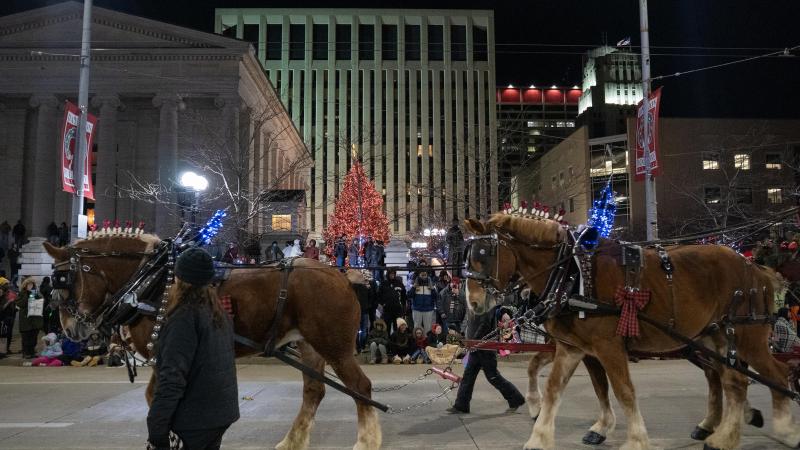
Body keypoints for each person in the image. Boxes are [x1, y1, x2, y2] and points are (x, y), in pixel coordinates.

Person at [147, 247, 239, 450]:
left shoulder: (184, 318)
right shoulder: (217, 312)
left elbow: (173, 377)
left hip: (194, 418)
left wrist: (156, 426)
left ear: (180, 280)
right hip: (219, 413)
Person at [447, 304, 526, 414]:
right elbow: (471, 323)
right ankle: (461, 405)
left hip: (486, 348)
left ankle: (516, 399)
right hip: (476, 347)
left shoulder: (486, 303)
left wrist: (474, 340)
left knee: (493, 377)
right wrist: (467, 338)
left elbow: (485, 324)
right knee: (468, 376)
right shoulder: (474, 304)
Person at [17, 277, 44, 359]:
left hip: (35, 319)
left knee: (33, 337)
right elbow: (20, 304)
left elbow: (41, 300)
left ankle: (32, 352)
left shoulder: (36, 292)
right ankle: (26, 353)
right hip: (26, 319)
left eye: (32, 284)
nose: (30, 286)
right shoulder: (22, 293)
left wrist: (34, 295)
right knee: (26, 338)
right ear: (25, 285)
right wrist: (27, 296)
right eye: (29, 284)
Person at [379, 269, 407, 335]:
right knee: (386, 328)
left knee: (397, 327)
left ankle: (397, 342)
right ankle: (387, 342)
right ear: (388, 274)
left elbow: (404, 296)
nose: (392, 275)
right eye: (390, 274)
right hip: (387, 310)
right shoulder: (383, 283)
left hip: (398, 310)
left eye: (393, 274)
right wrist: (383, 304)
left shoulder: (399, 283)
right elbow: (379, 295)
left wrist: (403, 306)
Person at [0, 277, 17, 358]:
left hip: (10, 316)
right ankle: (2, 352)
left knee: (7, 334)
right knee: (3, 335)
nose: (8, 285)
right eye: (6, 284)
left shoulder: (9, 293)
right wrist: (9, 302)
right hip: (3, 317)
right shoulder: (2, 294)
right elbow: (2, 307)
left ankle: (5, 351)